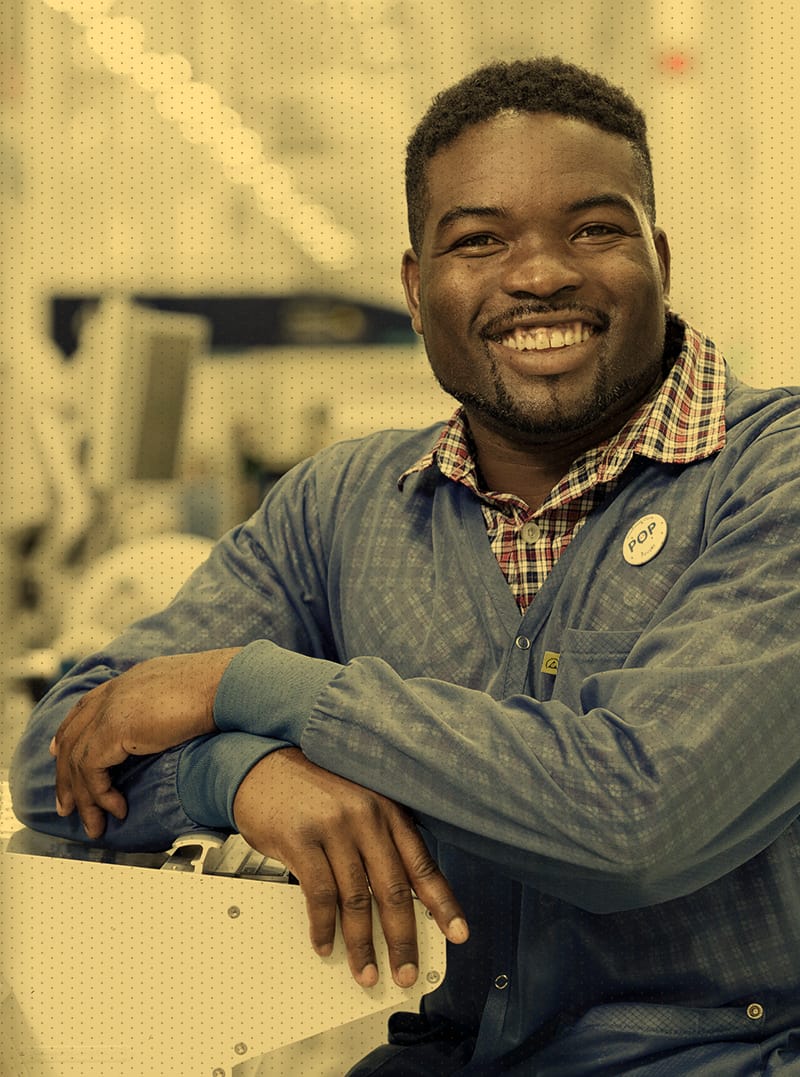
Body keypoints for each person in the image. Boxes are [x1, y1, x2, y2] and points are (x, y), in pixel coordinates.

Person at [10, 57, 800, 1075]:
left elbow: (634, 819)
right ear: (416, 287)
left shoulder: (767, 474)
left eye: (594, 229)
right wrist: (238, 774)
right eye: (478, 240)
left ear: (658, 253)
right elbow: (58, 752)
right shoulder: (342, 507)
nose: (539, 274)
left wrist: (249, 686)